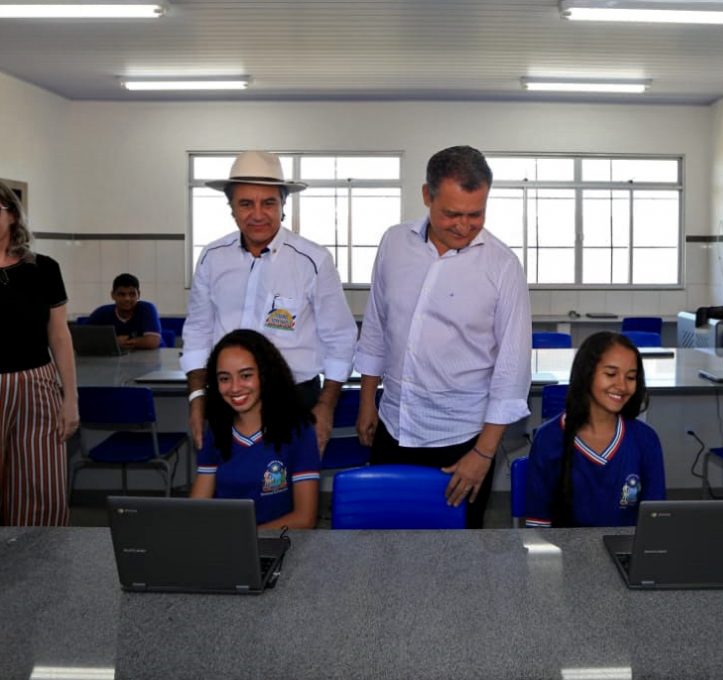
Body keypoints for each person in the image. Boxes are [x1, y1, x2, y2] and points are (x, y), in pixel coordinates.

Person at [354, 145, 532, 528]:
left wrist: (483, 454)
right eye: (452, 213)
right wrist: (368, 399)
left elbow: (512, 371)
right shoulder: (394, 243)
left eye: (476, 214)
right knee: (386, 542)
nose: (464, 226)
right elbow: (376, 326)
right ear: (426, 196)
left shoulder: (503, 266)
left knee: (457, 556)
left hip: (461, 438)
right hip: (393, 425)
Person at [181, 150, 358, 453]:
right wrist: (197, 399)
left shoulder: (312, 261)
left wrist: (326, 406)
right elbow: (197, 331)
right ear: (232, 208)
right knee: (230, 489)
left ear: (283, 206)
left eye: (269, 203)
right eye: (246, 204)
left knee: (293, 493)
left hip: (293, 398)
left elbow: (340, 338)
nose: (258, 214)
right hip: (228, 398)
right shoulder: (212, 258)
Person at [524, 332, 666, 527]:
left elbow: (655, 521)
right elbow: (538, 525)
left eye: (631, 377)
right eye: (610, 374)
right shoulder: (548, 438)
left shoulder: (646, 440)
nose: (622, 386)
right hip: (566, 554)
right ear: (587, 373)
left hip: (626, 552)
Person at [0, 181, 77, 525]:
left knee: (42, 488)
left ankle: (43, 570)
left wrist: (70, 399)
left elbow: (59, 336)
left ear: (13, 215)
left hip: (37, 385)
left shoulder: (43, 268)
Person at [190, 329, 319, 529]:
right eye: (224, 378)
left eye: (246, 375)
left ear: (265, 375)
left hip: (278, 544)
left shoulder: (298, 430)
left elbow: (304, 518)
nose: (234, 387)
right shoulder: (217, 430)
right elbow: (196, 510)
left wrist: (245, 539)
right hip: (224, 541)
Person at [87, 272, 162, 350]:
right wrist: (116, 342)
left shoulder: (147, 309)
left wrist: (114, 342)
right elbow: (81, 338)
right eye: (121, 294)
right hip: (114, 360)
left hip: (152, 359)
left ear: (138, 294)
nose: (127, 299)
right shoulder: (102, 312)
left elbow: (152, 342)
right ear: (112, 295)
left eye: (132, 294)